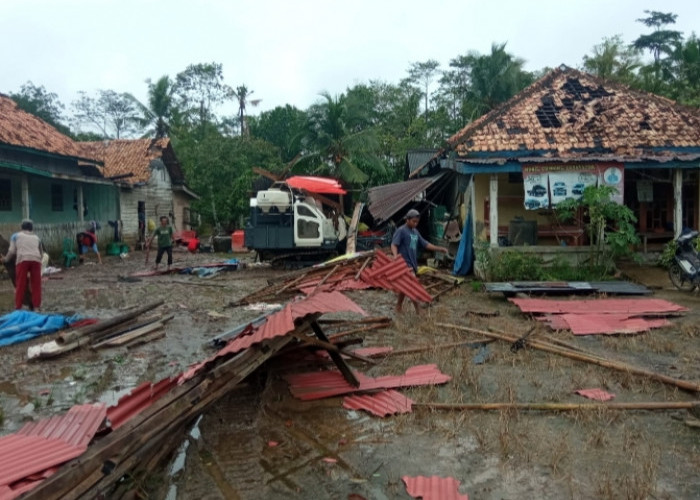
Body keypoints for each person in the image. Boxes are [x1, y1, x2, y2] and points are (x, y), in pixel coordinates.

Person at [390, 208, 449, 313]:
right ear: (407, 220)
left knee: (405, 287)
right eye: (413, 221)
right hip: (404, 264)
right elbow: (394, 244)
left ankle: (398, 306)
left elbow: (425, 244)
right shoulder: (401, 231)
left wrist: (439, 248)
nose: (415, 224)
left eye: (417, 222)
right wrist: (395, 257)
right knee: (412, 286)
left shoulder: (415, 232)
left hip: (413, 263)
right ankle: (418, 309)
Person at [1, 219, 43, 310]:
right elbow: (41, 254)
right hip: (36, 260)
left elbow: (12, 251)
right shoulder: (37, 238)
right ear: (31, 228)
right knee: (36, 285)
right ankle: (37, 307)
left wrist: (5, 259)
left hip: (22, 260)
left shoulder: (15, 236)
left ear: (21, 227)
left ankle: (18, 307)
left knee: (20, 284)